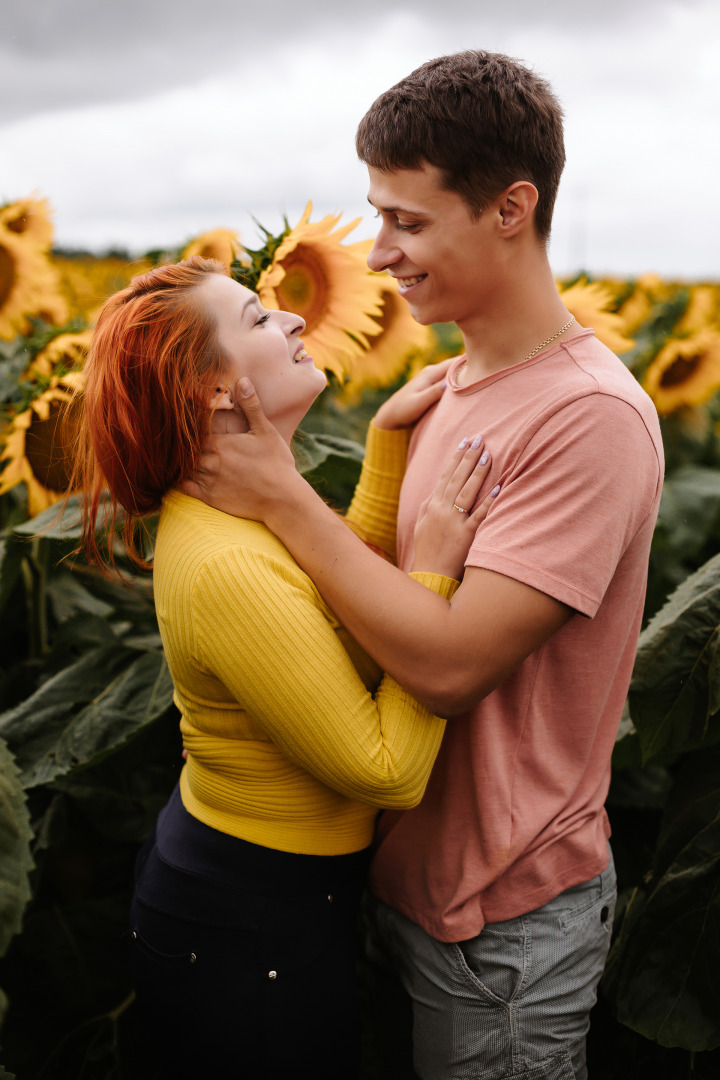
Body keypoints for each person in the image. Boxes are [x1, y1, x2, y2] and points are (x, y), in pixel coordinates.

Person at [183, 51, 665, 1080]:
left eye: (409, 221)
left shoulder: (587, 419)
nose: (385, 252)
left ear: (510, 208)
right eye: (378, 216)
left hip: (503, 920)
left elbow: (446, 667)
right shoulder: (443, 388)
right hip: (398, 883)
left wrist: (280, 496)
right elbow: (371, 613)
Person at [75, 255, 495, 1080]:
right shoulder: (227, 563)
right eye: (258, 321)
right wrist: (433, 576)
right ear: (214, 391)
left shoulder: (244, 510)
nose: (295, 320)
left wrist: (382, 448)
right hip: (248, 917)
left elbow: (332, 613)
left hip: (258, 888)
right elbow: (386, 771)